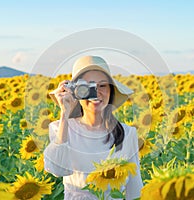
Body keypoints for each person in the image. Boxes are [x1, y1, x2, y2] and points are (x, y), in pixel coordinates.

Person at [44, 55, 143, 200]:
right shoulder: (60, 128)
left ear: (111, 91)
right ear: (75, 92)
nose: (96, 92)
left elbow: (135, 189)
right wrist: (65, 113)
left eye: (102, 85)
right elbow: (58, 169)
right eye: (88, 87)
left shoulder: (127, 133)